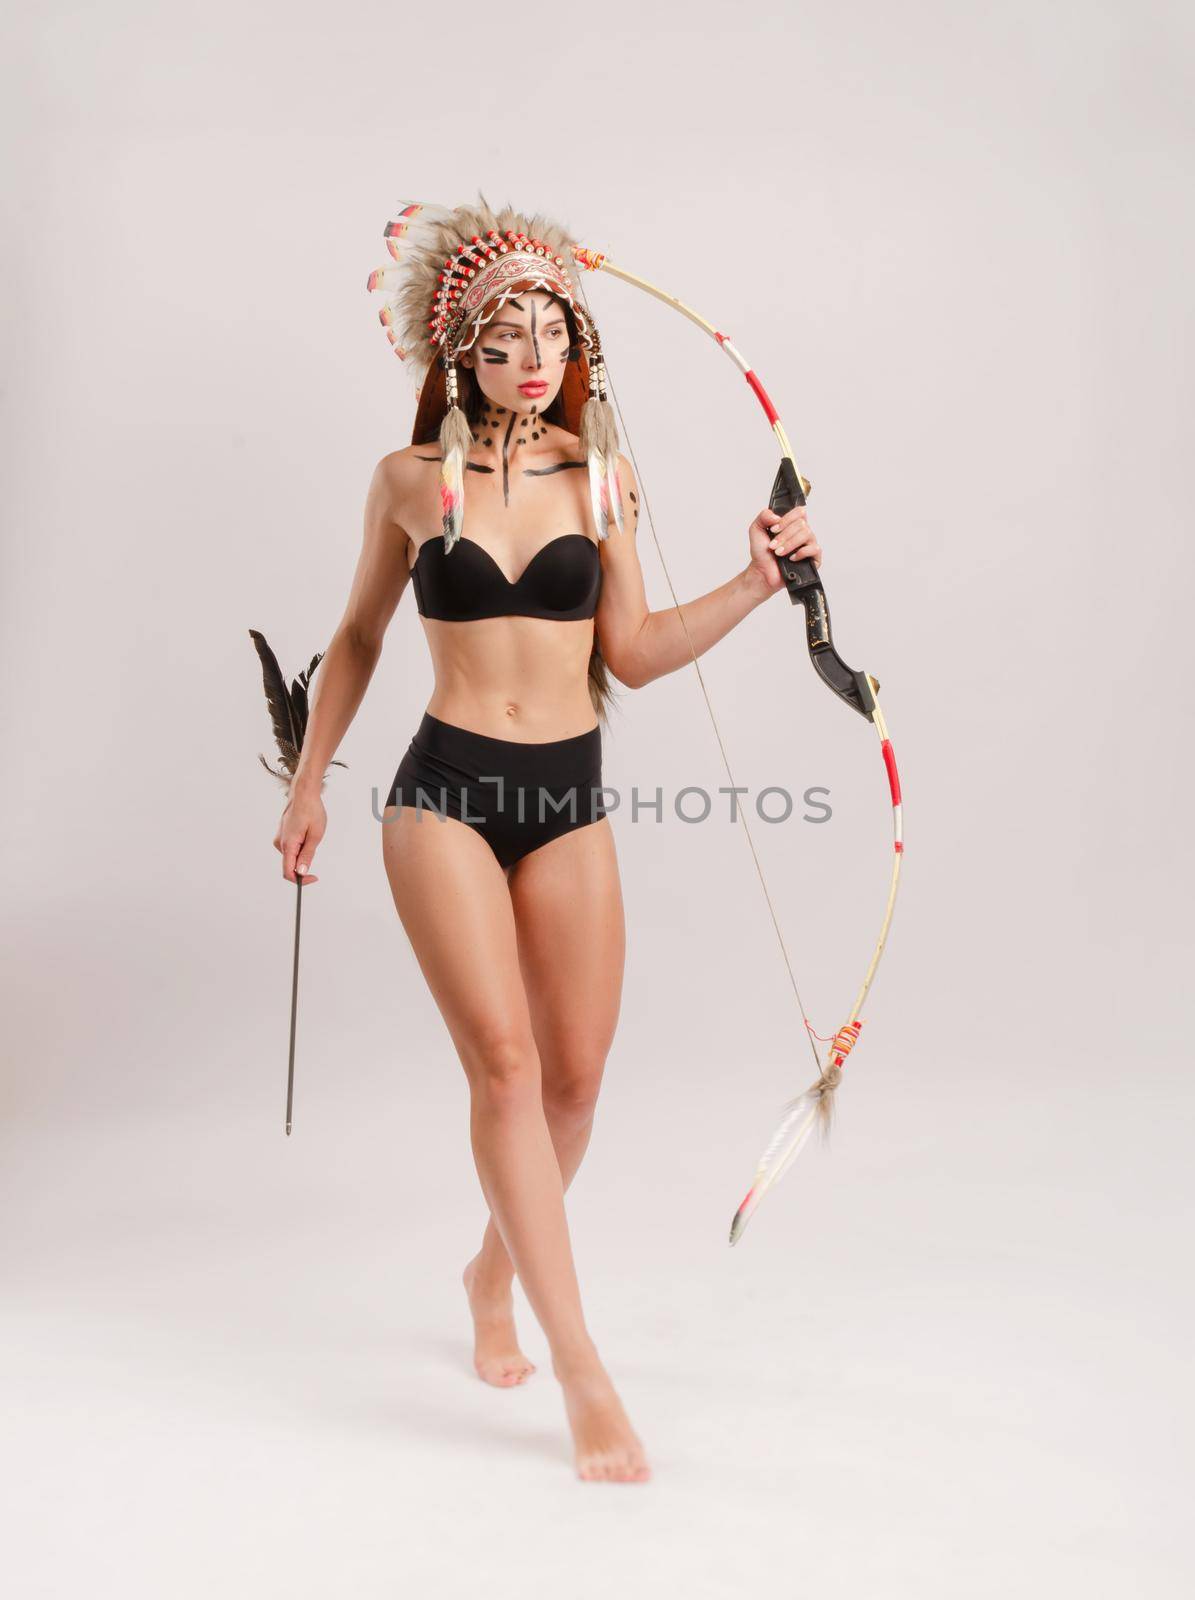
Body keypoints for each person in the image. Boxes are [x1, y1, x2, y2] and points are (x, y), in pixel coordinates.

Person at [272, 198, 821, 1483]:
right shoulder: (410, 483)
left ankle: (487, 1272)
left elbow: (628, 650)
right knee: (506, 1069)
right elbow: (355, 639)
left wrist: (754, 580)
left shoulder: (600, 480)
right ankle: (583, 1369)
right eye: (503, 330)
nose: (531, 352)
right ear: (456, 350)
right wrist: (308, 783)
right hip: (441, 793)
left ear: (578, 347)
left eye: (553, 328)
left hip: (566, 797)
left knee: (574, 1086)